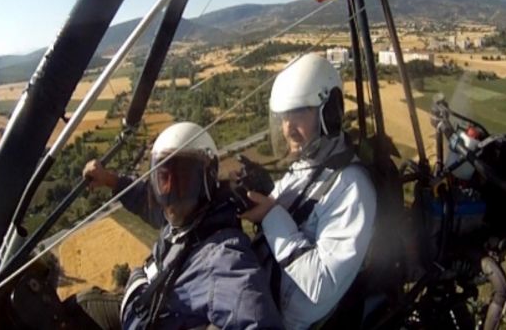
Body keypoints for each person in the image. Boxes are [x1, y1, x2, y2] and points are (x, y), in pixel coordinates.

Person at [82, 121, 283, 330]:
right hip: (143, 308)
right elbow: (143, 200)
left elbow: (259, 322)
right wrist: (108, 179)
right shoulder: (185, 218)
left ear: (206, 180)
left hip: (147, 315)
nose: (169, 191)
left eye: (182, 180)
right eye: (163, 178)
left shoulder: (224, 257)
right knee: (80, 303)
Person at [239, 53, 378, 330]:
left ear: (330, 113)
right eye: (284, 116)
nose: (288, 127)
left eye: (299, 112)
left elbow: (321, 285)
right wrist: (260, 191)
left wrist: (271, 215)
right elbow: (290, 213)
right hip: (261, 298)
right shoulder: (307, 165)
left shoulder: (352, 187)